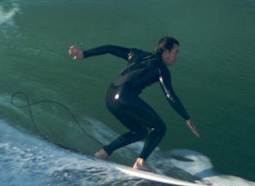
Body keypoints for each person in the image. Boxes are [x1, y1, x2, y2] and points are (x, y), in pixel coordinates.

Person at [68, 36, 199, 172]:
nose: (177, 57)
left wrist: (83, 54)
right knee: (159, 128)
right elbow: (169, 95)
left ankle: (104, 153)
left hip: (110, 98)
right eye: (176, 52)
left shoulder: (137, 54)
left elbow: (110, 48)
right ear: (166, 51)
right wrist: (186, 117)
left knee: (140, 131)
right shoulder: (161, 69)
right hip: (126, 97)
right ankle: (140, 162)